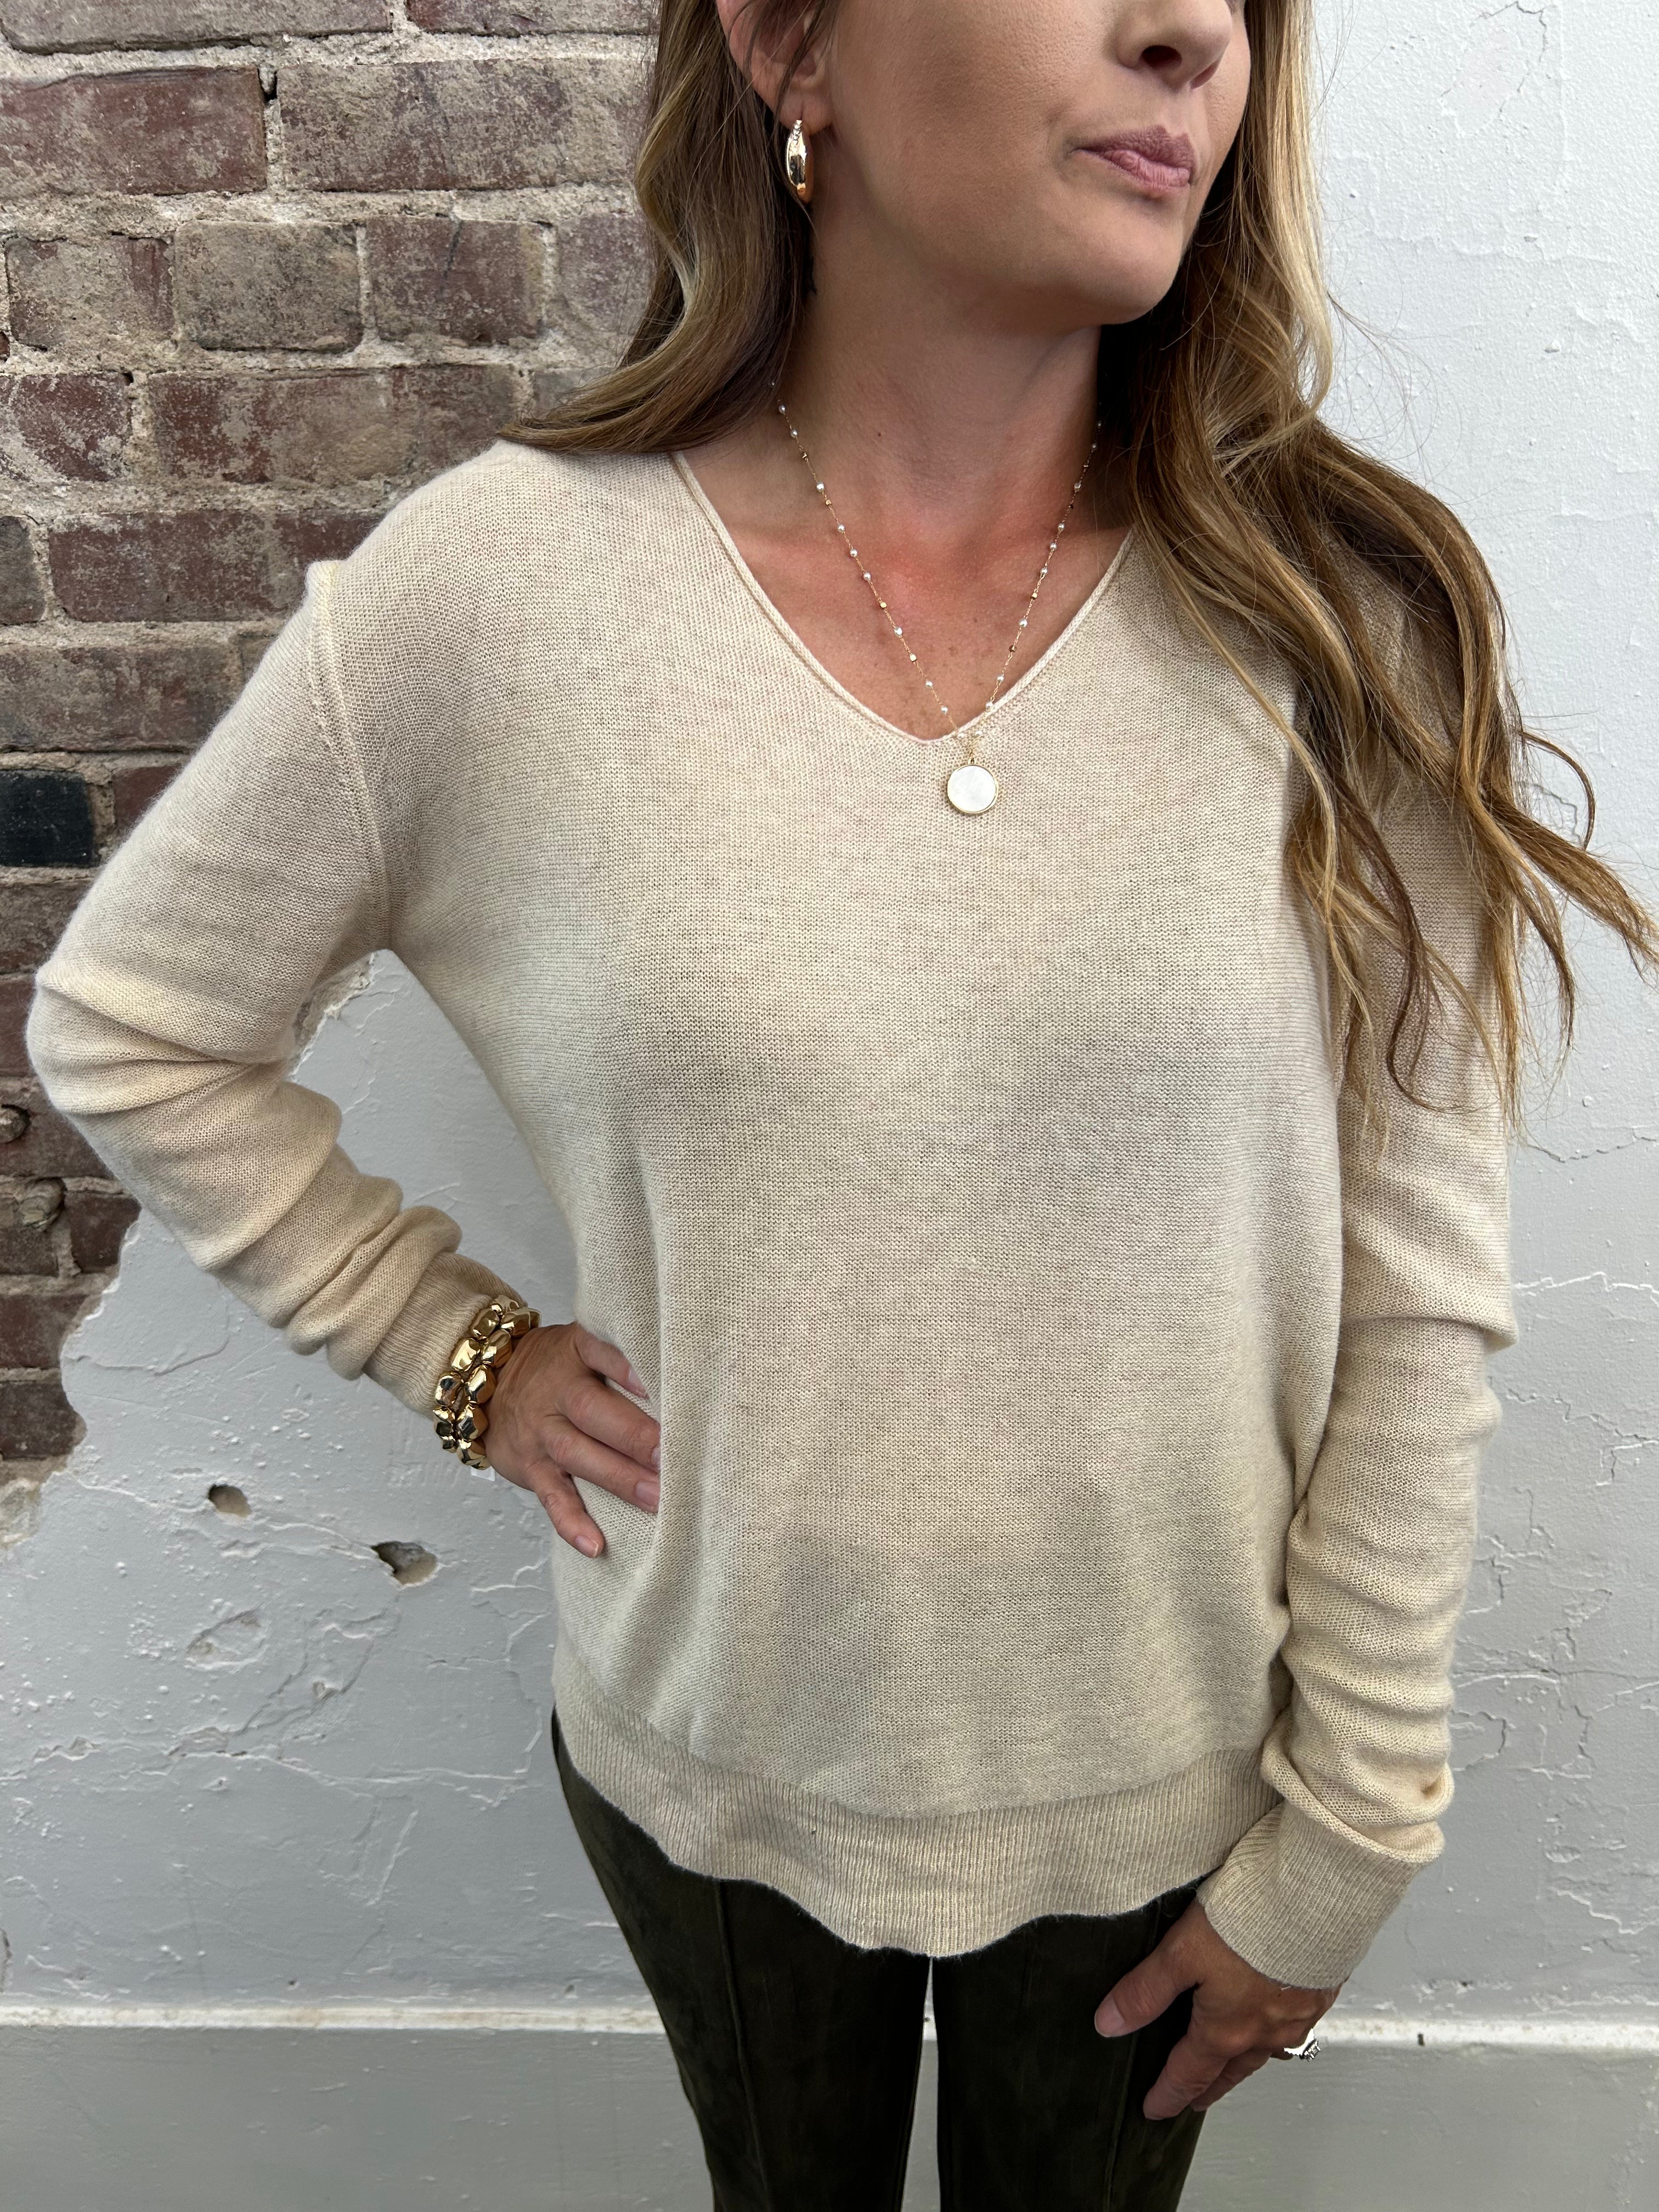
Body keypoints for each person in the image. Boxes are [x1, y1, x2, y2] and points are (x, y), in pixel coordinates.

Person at [25, 1, 1658, 2205]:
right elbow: (133, 1019)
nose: (1193, 35)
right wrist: (452, 1344)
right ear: (794, 45)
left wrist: (1355, 1825)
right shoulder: (497, 596)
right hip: (714, 1758)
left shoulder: (1342, 622)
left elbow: (1415, 1289)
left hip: (1169, 1789)